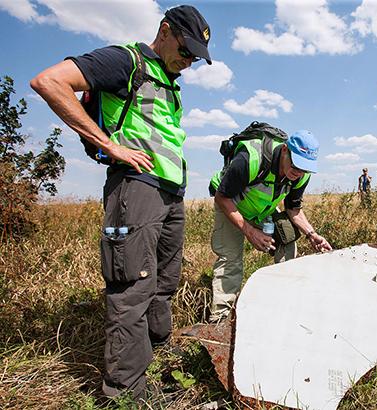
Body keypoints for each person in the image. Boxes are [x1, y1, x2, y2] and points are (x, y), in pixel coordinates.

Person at [30, 5, 212, 399]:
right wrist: (110, 145)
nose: (189, 61)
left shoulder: (167, 78)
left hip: (169, 192)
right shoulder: (125, 60)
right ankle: (126, 393)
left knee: (164, 281)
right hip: (136, 189)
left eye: (196, 57)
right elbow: (49, 82)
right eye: (186, 50)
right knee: (133, 286)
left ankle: (155, 356)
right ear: (165, 31)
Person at [208, 130, 333, 322]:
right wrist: (250, 232)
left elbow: (293, 209)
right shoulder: (251, 159)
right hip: (231, 204)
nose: (298, 172)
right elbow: (222, 197)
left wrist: (311, 234)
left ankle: (283, 301)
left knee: (287, 238)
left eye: (304, 168)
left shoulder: (301, 176)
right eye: (296, 164)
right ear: (285, 150)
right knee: (231, 258)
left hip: (261, 209)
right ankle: (220, 319)